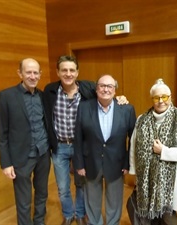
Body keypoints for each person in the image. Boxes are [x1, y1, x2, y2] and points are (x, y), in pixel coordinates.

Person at [43, 56, 128, 225]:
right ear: (58, 72)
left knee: (82, 183)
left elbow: (106, 93)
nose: (68, 73)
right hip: (59, 146)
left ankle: (81, 213)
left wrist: (120, 98)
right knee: (62, 187)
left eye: (72, 70)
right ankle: (68, 214)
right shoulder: (50, 91)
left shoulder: (87, 88)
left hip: (81, 146)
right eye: (64, 70)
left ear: (77, 72)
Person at [73, 74, 136, 225]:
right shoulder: (84, 107)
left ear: (115, 90)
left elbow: (133, 139)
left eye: (110, 86)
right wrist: (79, 164)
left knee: (114, 199)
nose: (105, 89)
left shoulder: (127, 109)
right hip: (90, 162)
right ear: (96, 89)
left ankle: (113, 222)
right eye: (102, 85)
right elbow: (78, 137)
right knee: (92, 199)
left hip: (117, 162)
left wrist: (128, 164)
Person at [128, 78, 177, 225]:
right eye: (157, 97)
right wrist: (135, 173)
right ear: (152, 99)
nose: (161, 101)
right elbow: (133, 146)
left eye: (164, 97)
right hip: (145, 177)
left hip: (170, 180)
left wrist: (164, 151)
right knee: (147, 216)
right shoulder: (141, 119)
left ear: (170, 98)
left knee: (167, 216)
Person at [0, 58, 50, 225]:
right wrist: (6, 163)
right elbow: (2, 133)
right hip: (21, 157)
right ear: (20, 73)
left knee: (42, 193)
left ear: (40, 74)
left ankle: (39, 221)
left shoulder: (43, 96)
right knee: (23, 199)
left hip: (43, 153)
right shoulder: (6, 96)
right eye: (28, 72)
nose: (32, 76)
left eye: (36, 73)